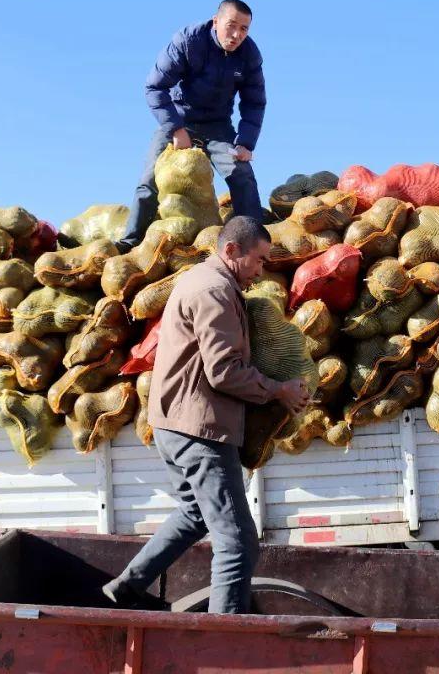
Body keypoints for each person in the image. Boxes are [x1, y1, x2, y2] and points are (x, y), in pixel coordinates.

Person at [103, 216, 309, 613]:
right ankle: (223, 638)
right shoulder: (214, 291)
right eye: (259, 260)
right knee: (237, 541)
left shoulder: (202, 280)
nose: (261, 270)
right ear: (231, 250)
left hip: (173, 425)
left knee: (196, 514)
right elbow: (224, 371)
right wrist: (278, 390)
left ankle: (125, 589)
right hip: (200, 432)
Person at [117, 0, 267, 252]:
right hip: (180, 119)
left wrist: (245, 142)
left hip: (218, 126)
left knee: (242, 174)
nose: (237, 34)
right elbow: (155, 87)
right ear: (216, 21)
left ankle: (255, 244)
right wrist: (175, 129)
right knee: (150, 180)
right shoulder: (189, 41)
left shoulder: (249, 55)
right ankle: (130, 242)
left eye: (244, 29)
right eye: (231, 25)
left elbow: (254, 103)